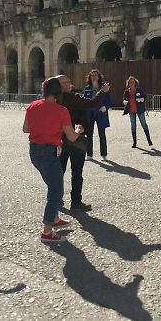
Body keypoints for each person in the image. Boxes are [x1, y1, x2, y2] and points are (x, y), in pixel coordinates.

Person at [23, 77, 84, 243]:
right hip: (49, 152)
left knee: (52, 185)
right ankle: (47, 230)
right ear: (58, 93)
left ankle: (55, 218)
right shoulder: (61, 110)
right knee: (56, 191)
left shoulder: (33, 105)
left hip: (34, 151)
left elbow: (25, 129)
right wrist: (78, 129)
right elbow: (71, 137)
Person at [57, 74, 110, 212]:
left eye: (69, 81)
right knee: (76, 171)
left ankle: (56, 198)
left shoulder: (53, 99)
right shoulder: (72, 97)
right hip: (75, 138)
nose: (69, 84)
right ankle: (75, 202)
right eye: (66, 82)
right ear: (59, 85)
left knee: (59, 171)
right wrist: (102, 92)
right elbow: (90, 103)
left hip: (59, 139)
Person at [83, 69, 111, 160]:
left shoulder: (103, 87)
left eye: (95, 75)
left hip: (100, 113)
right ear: (90, 77)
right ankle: (89, 154)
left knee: (102, 134)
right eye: (92, 75)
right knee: (89, 134)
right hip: (89, 113)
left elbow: (108, 99)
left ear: (99, 77)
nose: (94, 77)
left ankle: (104, 154)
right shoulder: (87, 88)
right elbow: (84, 101)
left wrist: (105, 107)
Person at [123, 76, 153, 148]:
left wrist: (141, 99)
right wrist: (125, 101)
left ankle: (149, 140)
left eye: (133, 82)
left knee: (143, 124)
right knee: (133, 126)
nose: (132, 83)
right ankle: (134, 143)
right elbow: (124, 99)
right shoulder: (126, 91)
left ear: (135, 83)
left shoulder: (139, 90)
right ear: (128, 83)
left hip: (140, 110)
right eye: (130, 82)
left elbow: (145, 97)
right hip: (131, 110)